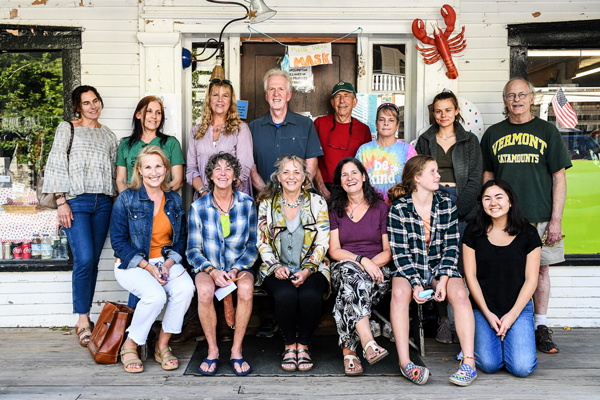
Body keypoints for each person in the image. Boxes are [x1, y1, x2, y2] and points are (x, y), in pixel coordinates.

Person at [481, 78, 572, 354]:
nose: (517, 100)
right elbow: (488, 176)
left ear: (532, 98)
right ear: (505, 100)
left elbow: (559, 178)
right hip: (502, 218)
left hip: (540, 216)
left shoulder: (548, 132)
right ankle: (504, 324)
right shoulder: (493, 134)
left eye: (522, 95)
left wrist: (556, 219)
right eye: (511, 95)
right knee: (503, 270)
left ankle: (540, 327)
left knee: (541, 270)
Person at [387, 155, 477, 386]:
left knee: (459, 294)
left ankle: (469, 363)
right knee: (399, 295)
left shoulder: (446, 204)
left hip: (440, 266)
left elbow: (450, 246)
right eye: (433, 172)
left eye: (438, 171)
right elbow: (400, 253)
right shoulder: (399, 209)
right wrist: (416, 283)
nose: (439, 176)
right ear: (417, 178)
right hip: (411, 267)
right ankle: (405, 362)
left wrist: (444, 278)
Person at [42, 85, 118, 348]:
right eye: (86, 103)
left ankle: (84, 315)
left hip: (104, 203)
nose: (93, 106)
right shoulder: (68, 128)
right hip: (76, 201)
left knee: (93, 261)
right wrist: (61, 200)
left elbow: (113, 172)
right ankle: (83, 319)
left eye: (96, 100)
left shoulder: (108, 135)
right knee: (84, 258)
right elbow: (56, 163)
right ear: (78, 106)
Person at [110, 146, 194, 373]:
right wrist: (148, 267)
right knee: (155, 296)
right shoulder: (126, 199)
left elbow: (181, 238)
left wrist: (167, 265)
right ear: (139, 170)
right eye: (147, 167)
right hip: (132, 263)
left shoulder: (174, 200)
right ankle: (130, 344)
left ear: (166, 170)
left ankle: (162, 345)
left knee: (186, 289)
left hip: (164, 260)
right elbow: (118, 242)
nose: (154, 172)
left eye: (158, 166)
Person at [415, 90, 482, 344]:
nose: (443, 115)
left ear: (457, 112)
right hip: (433, 202)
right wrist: (434, 209)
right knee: (439, 262)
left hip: (462, 203)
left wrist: (457, 210)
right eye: (438, 110)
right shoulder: (425, 140)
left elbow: (475, 178)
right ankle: (443, 320)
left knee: (465, 265)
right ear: (433, 113)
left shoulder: (469, 142)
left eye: (448, 110)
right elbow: (419, 176)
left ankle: (473, 322)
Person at [256, 155, 330, 372]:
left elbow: (323, 241)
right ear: (278, 177)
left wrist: (308, 270)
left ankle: (303, 345)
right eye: (286, 172)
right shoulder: (267, 204)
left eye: (296, 172)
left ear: (305, 176)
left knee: (310, 294)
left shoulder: (317, 202)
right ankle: (289, 345)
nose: (291, 176)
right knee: (286, 294)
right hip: (276, 267)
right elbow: (262, 242)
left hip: (313, 267)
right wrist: (275, 266)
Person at [186, 152, 258, 376]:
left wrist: (236, 268)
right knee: (205, 291)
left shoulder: (247, 204)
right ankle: (213, 350)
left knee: (246, 288)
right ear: (210, 175)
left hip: (239, 266)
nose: (223, 173)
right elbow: (192, 250)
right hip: (208, 266)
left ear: (236, 175)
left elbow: (253, 245)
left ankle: (236, 350)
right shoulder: (199, 207)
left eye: (228, 168)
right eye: (218, 169)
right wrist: (212, 270)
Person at [463, 179, 541, 377]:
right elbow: (470, 276)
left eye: (499, 197)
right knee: (489, 365)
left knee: (522, 368)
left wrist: (512, 316)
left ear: (510, 201)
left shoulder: (529, 233)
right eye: (487, 198)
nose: (493, 203)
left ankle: (507, 338)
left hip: (518, 308)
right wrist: (487, 313)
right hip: (483, 308)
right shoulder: (472, 232)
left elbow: (532, 279)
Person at [328, 157, 392, 375]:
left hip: (378, 272)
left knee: (348, 292)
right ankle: (368, 342)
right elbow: (334, 251)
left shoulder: (380, 208)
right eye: (344, 175)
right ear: (340, 182)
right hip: (346, 267)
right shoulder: (335, 209)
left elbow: (388, 251)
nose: (350, 178)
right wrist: (362, 261)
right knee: (350, 275)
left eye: (354, 173)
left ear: (363, 176)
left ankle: (350, 353)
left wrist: (370, 265)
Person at [249, 69, 323, 192]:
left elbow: (312, 165)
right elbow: (251, 169)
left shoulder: (306, 125)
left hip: (299, 202)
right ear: (266, 96)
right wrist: (267, 195)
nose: (276, 93)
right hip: (265, 203)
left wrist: (296, 193)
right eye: (271, 89)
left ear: (289, 95)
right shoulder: (253, 127)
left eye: (281, 89)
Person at [187, 79, 254, 198]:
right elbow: (191, 169)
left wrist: (224, 195)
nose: (220, 99)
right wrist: (204, 193)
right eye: (215, 95)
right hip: (204, 200)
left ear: (230, 101)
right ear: (209, 99)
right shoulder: (196, 131)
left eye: (225, 95)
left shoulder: (241, 129)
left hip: (233, 199)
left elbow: (244, 168)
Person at [313, 82, 372, 200]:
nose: (341, 100)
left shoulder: (363, 129)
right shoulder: (319, 124)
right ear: (332, 102)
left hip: (352, 189)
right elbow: (312, 158)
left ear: (354, 102)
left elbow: (366, 166)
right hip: (325, 188)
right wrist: (321, 187)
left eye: (346, 95)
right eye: (337, 96)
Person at [116, 95, 185, 194]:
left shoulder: (171, 143)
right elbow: (121, 180)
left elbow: (177, 181)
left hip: (163, 203)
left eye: (158, 113)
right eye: (149, 111)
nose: (154, 116)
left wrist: (157, 197)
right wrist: (128, 200)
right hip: (133, 204)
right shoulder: (125, 144)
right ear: (138, 114)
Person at [356, 103, 416, 204]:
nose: (386, 123)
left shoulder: (408, 150)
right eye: (381, 120)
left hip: (399, 208)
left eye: (391, 120)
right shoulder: (364, 150)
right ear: (376, 123)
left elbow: (416, 181)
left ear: (397, 125)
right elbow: (356, 180)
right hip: (370, 207)